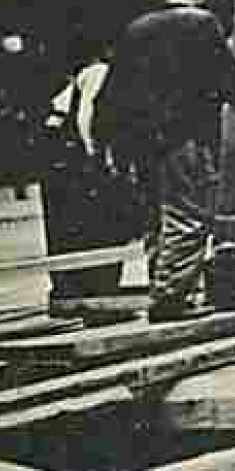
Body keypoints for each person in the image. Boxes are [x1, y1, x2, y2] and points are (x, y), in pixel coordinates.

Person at [94, 0, 235, 322]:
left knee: (156, 216)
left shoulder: (136, 29)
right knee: (189, 215)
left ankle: (161, 284)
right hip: (185, 137)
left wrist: (105, 138)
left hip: (141, 143)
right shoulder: (201, 24)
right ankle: (171, 298)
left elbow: (112, 91)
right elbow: (226, 74)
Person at [40, 39, 140, 302]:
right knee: (102, 226)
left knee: (66, 230)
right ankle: (100, 290)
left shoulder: (74, 79)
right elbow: (86, 117)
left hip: (60, 165)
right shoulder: (99, 72)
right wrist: (98, 157)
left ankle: (68, 289)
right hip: (82, 165)